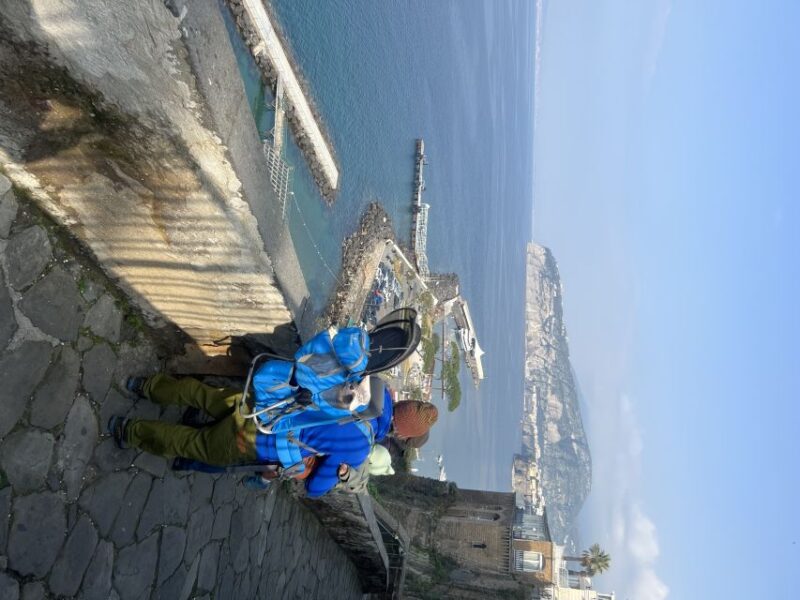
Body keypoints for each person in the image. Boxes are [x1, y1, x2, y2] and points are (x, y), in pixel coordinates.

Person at [108, 374, 436, 497]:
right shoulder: (360, 446)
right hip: (256, 439)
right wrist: (337, 475)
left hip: (264, 399)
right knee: (194, 444)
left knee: (202, 394)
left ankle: (145, 386)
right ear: (401, 434)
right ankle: (129, 430)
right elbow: (314, 486)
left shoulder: (370, 380)